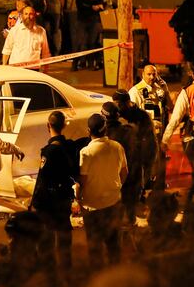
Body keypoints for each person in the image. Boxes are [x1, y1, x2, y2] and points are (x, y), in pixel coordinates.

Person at [78, 114, 128, 268]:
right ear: (105, 129)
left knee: (95, 246)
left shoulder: (86, 152)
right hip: (113, 202)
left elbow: (83, 181)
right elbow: (125, 172)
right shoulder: (117, 146)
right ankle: (116, 275)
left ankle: (98, 279)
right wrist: (117, 186)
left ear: (88, 130)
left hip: (93, 207)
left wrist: (78, 198)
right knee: (114, 244)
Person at [31, 111, 77, 269]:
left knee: (47, 235)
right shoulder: (70, 147)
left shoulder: (49, 151)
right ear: (64, 125)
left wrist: (34, 202)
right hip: (64, 197)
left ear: (48, 126)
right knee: (64, 231)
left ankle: (48, 270)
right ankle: (67, 266)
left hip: (50, 200)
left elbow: (42, 179)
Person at [128, 64, 173, 134]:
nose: (152, 77)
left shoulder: (160, 89)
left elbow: (171, 108)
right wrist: (150, 123)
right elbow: (132, 116)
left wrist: (166, 91)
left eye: (154, 74)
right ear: (143, 74)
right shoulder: (135, 91)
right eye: (149, 74)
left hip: (158, 132)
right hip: (143, 133)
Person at [72, 0, 105, 71]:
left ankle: (88, 64)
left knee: (91, 42)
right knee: (81, 42)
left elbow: (102, 4)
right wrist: (93, 7)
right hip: (83, 19)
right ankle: (76, 63)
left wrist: (99, 6)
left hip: (92, 19)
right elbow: (81, 5)